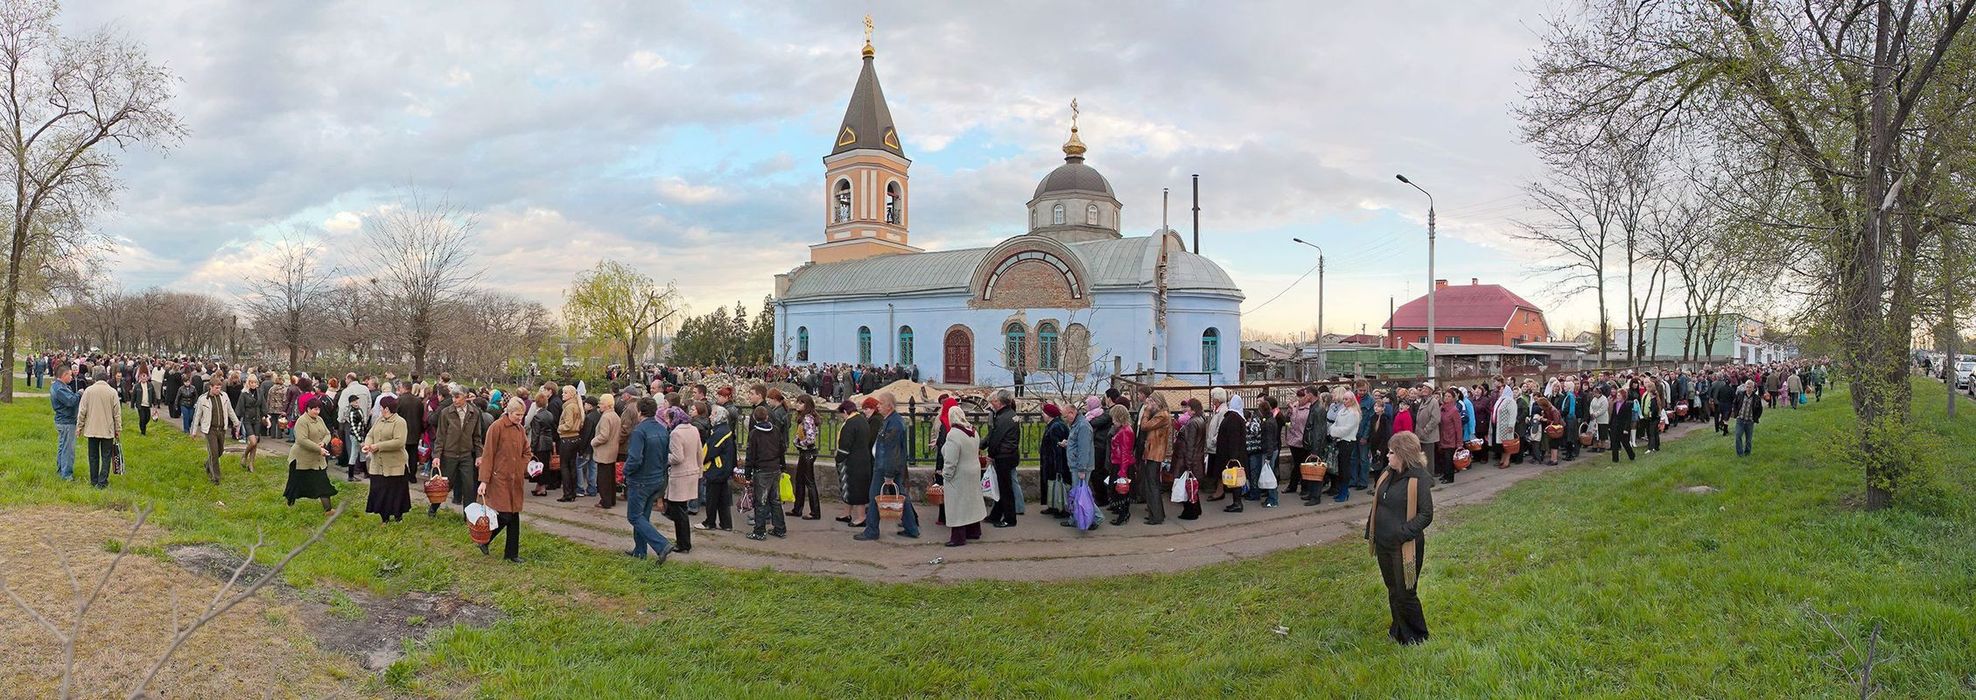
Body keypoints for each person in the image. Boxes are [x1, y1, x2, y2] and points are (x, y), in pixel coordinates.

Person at [1366, 431, 1435, 646]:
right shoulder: (1388, 473)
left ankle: (1418, 636)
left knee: (1406, 591)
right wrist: (1372, 530)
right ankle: (1399, 629)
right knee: (1393, 589)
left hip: (1405, 546)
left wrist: (1402, 533)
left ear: (1403, 455)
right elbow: (1378, 503)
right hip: (1384, 543)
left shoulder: (1419, 479)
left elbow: (1426, 514)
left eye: (1392, 452)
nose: (1388, 456)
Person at [856, 393, 920, 541]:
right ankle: (912, 528)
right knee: (901, 496)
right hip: (887, 465)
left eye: (881, 403)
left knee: (874, 496)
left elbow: (892, 450)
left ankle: (872, 531)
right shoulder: (890, 420)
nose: (878, 406)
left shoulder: (894, 424)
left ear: (889, 406)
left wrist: (889, 474)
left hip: (885, 467)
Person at [623, 396, 674, 562]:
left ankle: (661, 544)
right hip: (657, 478)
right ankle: (640, 551)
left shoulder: (639, 431)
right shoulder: (662, 429)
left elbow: (635, 459)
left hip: (641, 479)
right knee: (642, 517)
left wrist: (626, 471)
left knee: (634, 516)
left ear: (639, 411)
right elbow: (665, 455)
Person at [478, 397, 529, 563]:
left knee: (514, 517)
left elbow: (527, 452)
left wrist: (521, 467)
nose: (519, 418)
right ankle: (485, 538)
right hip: (499, 479)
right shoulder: (496, 427)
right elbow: (488, 454)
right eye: (517, 414)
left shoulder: (520, 430)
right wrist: (484, 480)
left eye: (522, 415)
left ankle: (512, 553)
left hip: (515, 480)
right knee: (505, 515)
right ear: (508, 411)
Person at [939, 405, 988, 547]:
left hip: (959, 473)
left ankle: (958, 537)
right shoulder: (973, 431)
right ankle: (974, 530)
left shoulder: (954, 434)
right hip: (973, 470)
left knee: (958, 505)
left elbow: (951, 459)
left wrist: (946, 474)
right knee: (971, 502)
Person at [362, 395, 412, 523]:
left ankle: (398, 516)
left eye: (382, 408)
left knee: (395, 492)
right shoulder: (379, 420)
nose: (380, 410)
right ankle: (384, 518)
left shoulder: (399, 422)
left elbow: (399, 442)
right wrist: (368, 445)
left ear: (387, 409)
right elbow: (370, 434)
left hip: (394, 465)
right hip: (378, 464)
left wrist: (378, 446)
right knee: (379, 490)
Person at [285, 397, 339, 511]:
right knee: (294, 484)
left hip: (317, 460)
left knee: (323, 483)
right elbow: (301, 440)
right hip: (301, 460)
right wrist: (318, 449)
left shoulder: (319, 419)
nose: (317, 412)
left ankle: (328, 510)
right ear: (308, 409)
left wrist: (323, 443)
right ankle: (289, 506)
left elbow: (328, 434)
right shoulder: (302, 421)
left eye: (319, 409)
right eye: (314, 409)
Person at [744, 405, 787, 541]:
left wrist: (747, 474)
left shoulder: (754, 434)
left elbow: (750, 455)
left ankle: (759, 531)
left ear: (754, 418)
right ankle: (780, 528)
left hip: (762, 470)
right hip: (775, 468)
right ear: (767, 417)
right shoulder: (775, 430)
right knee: (775, 500)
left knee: (761, 502)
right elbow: (781, 448)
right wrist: (782, 465)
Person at [664, 406, 702, 554]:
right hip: (692, 472)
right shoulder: (693, 429)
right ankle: (683, 541)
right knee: (682, 510)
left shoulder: (676, 434)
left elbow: (677, 457)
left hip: (680, 475)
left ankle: (683, 543)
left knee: (679, 511)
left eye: (668, 418)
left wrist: (665, 456)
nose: (667, 422)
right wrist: (699, 470)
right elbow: (699, 451)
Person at [191, 380, 241, 485]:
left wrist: (236, 422)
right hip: (210, 430)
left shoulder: (224, 396)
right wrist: (193, 431)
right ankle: (216, 477)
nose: (218, 390)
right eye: (216, 388)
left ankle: (208, 464)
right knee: (213, 453)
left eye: (220, 388)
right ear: (210, 387)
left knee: (220, 451)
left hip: (221, 428)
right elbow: (197, 416)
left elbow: (230, 410)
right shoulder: (203, 399)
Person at [984, 389, 1021, 528]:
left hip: (1004, 457)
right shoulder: (1010, 415)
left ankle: (1010, 519)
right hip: (1009, 455)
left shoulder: (1003, 418)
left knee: (1005, 489)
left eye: (995, 401)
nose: (993, 404)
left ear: (999, 402)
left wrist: (990, 455)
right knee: (1001, 487)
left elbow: (995, 439)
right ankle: (996, 515)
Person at [697, 402, 737, 531]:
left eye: (713, 414)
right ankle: (726, 524)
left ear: (719, 416)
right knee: (722, 499)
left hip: (717, 470)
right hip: (724, 470)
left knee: (712, 498)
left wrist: (700, 462)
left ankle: (709, 522)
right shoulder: (724, 429)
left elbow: (709, 451)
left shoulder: (720, 432)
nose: (710, 417)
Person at [834, 400, 873, 527]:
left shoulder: (850, 424)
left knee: (856, 489)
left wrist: (838, 458)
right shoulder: (862, 420)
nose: (842, 418)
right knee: (849, 488)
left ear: (845, 411)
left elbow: (845, 445)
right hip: (863, 459)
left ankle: (861, 517)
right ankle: (846, 513)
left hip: (852, 462)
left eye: (842, 415)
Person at [1134, 395, 1171, 525]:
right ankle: (1157, 513)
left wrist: (1147, 412)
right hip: (1153, 452)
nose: (1148, 405)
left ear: (1157, 402)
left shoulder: (1161, 415)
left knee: (1152, 484)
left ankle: (1156, 516)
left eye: (1151, 402)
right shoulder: (1162, 415)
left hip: (1155, 453)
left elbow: (1144, 426)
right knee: (1151, 483)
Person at [788, 396, 823, 520]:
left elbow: (811, 438)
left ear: (806, 405)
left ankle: (814, 512)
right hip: (806, 452)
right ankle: (797, 509)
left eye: (801, 403)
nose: (797, 405)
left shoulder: (807, 418)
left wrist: (798, 443)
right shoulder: (807, 417)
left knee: (809, 482)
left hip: (808, 452)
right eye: (797, 402)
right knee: (800, 480)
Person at [1327, 389, 1361, 502]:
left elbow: (1346, 429)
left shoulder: (1354, 413)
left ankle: (1344, 491)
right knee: (1341, 468)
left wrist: (1334, 431)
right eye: (1344, 399)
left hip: (1348, 441)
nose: (1345, 401)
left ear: (1352, 400)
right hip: (1340, 440)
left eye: (1347, 399)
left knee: (1345, 468)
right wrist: (1333, 430)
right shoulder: (1342, 411)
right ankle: (1342, 490)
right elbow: (1335, 424)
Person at [590, 391, 621, 509]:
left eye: (601, 403)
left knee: (603, 479)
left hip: (604, 452)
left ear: (607, 405)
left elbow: (604, 436)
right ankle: (611, 499)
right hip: (613, 450)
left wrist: (593, 441)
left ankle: (605, 501)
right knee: (610, 478)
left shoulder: (606, 417)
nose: (599, 405)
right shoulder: (615, 416)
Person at [1039, 403, 1070, 517]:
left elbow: (1057, 448)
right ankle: (1053, 506)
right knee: (1052, 484)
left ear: (1049, 415)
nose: (1042, 415)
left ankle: (1060, 509)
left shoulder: (1055, 426)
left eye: (1044, 413)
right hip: (1052, 461)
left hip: (1054, 462)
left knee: (1056, 485)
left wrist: (1058, 466)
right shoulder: (1055, 424)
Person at [50, 365, 80, 482]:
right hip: (66, 421)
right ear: (64, 375)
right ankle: (67, 475)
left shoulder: (59, 386)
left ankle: (60, 470)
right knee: (68, 450)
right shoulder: (60, 388)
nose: (72, 377)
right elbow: (71, 401)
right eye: (70, 375)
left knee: (62, 447)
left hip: (63, 420)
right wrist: (79, 394)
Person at [555, 386, 585, 502]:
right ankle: (573, 492)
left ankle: (567, 493)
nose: (563, 394)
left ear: (572, 395)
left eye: (565, 393)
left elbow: (568, 424)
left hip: (567, 439)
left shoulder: (569, 407)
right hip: (576, 438)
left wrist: (559, 428)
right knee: (572, 466)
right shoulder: (577, 406)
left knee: (565, 467)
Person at [238, 376, 267, 472]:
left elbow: (263, 404)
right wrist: (238, 420)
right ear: (248, 383)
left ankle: (251, 463)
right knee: (253, 441)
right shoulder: (244, 393)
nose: (254, 384)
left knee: (255, 442)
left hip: (257, 419)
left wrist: (265, 415)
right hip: (248, 419)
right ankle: (245, 454)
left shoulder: (260, 392)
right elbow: (240, 407)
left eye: (255, 382)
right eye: (252, 382)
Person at [1733, 380, 1764, 457]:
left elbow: (1760, 409)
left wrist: (1755, 418)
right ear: (1745, 387)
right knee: (1738, 436)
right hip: (1740, 419)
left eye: (1750, 387)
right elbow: (1735, 403)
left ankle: (1747, 453)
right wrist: (1736, 413)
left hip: (1750, 421)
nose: (1748, 389)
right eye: (1747, 387)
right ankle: (1740, 454)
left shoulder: (1756, 398)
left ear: (1753, 388)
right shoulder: (1740, 395)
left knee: (1748, 439)